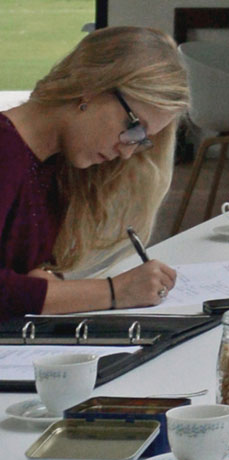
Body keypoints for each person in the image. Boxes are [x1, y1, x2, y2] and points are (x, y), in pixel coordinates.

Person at [0, 27, 188, 315]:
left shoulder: (54, 166)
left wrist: (44, 287)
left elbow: (24, 281)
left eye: (141, 141)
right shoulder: (6, 149)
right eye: (133, 128)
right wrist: (116, 291)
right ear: (93, 86)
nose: (126, 152)